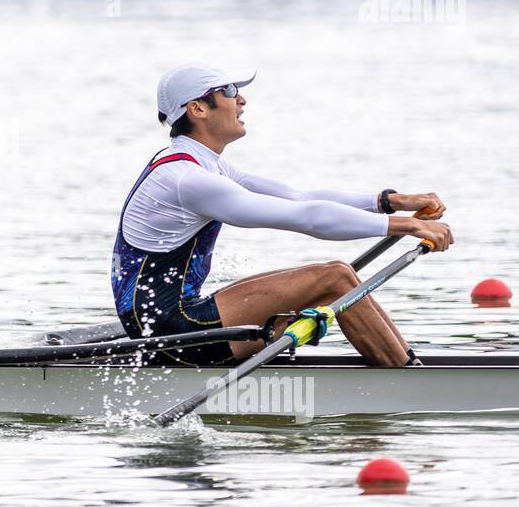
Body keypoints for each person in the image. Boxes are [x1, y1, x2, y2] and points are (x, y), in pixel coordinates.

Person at [111, 62, 453, 368]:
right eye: (229, 91)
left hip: (168, 322)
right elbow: (306, 218)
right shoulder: (189, 179)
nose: (241, 99)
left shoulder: (203, 164)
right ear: (197, 108)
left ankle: (405, 367)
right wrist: (406, 225)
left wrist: (390, 201)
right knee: (334, 278)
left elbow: (299, 197)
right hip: (170, 334)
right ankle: (408, 379)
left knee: (338, 276)